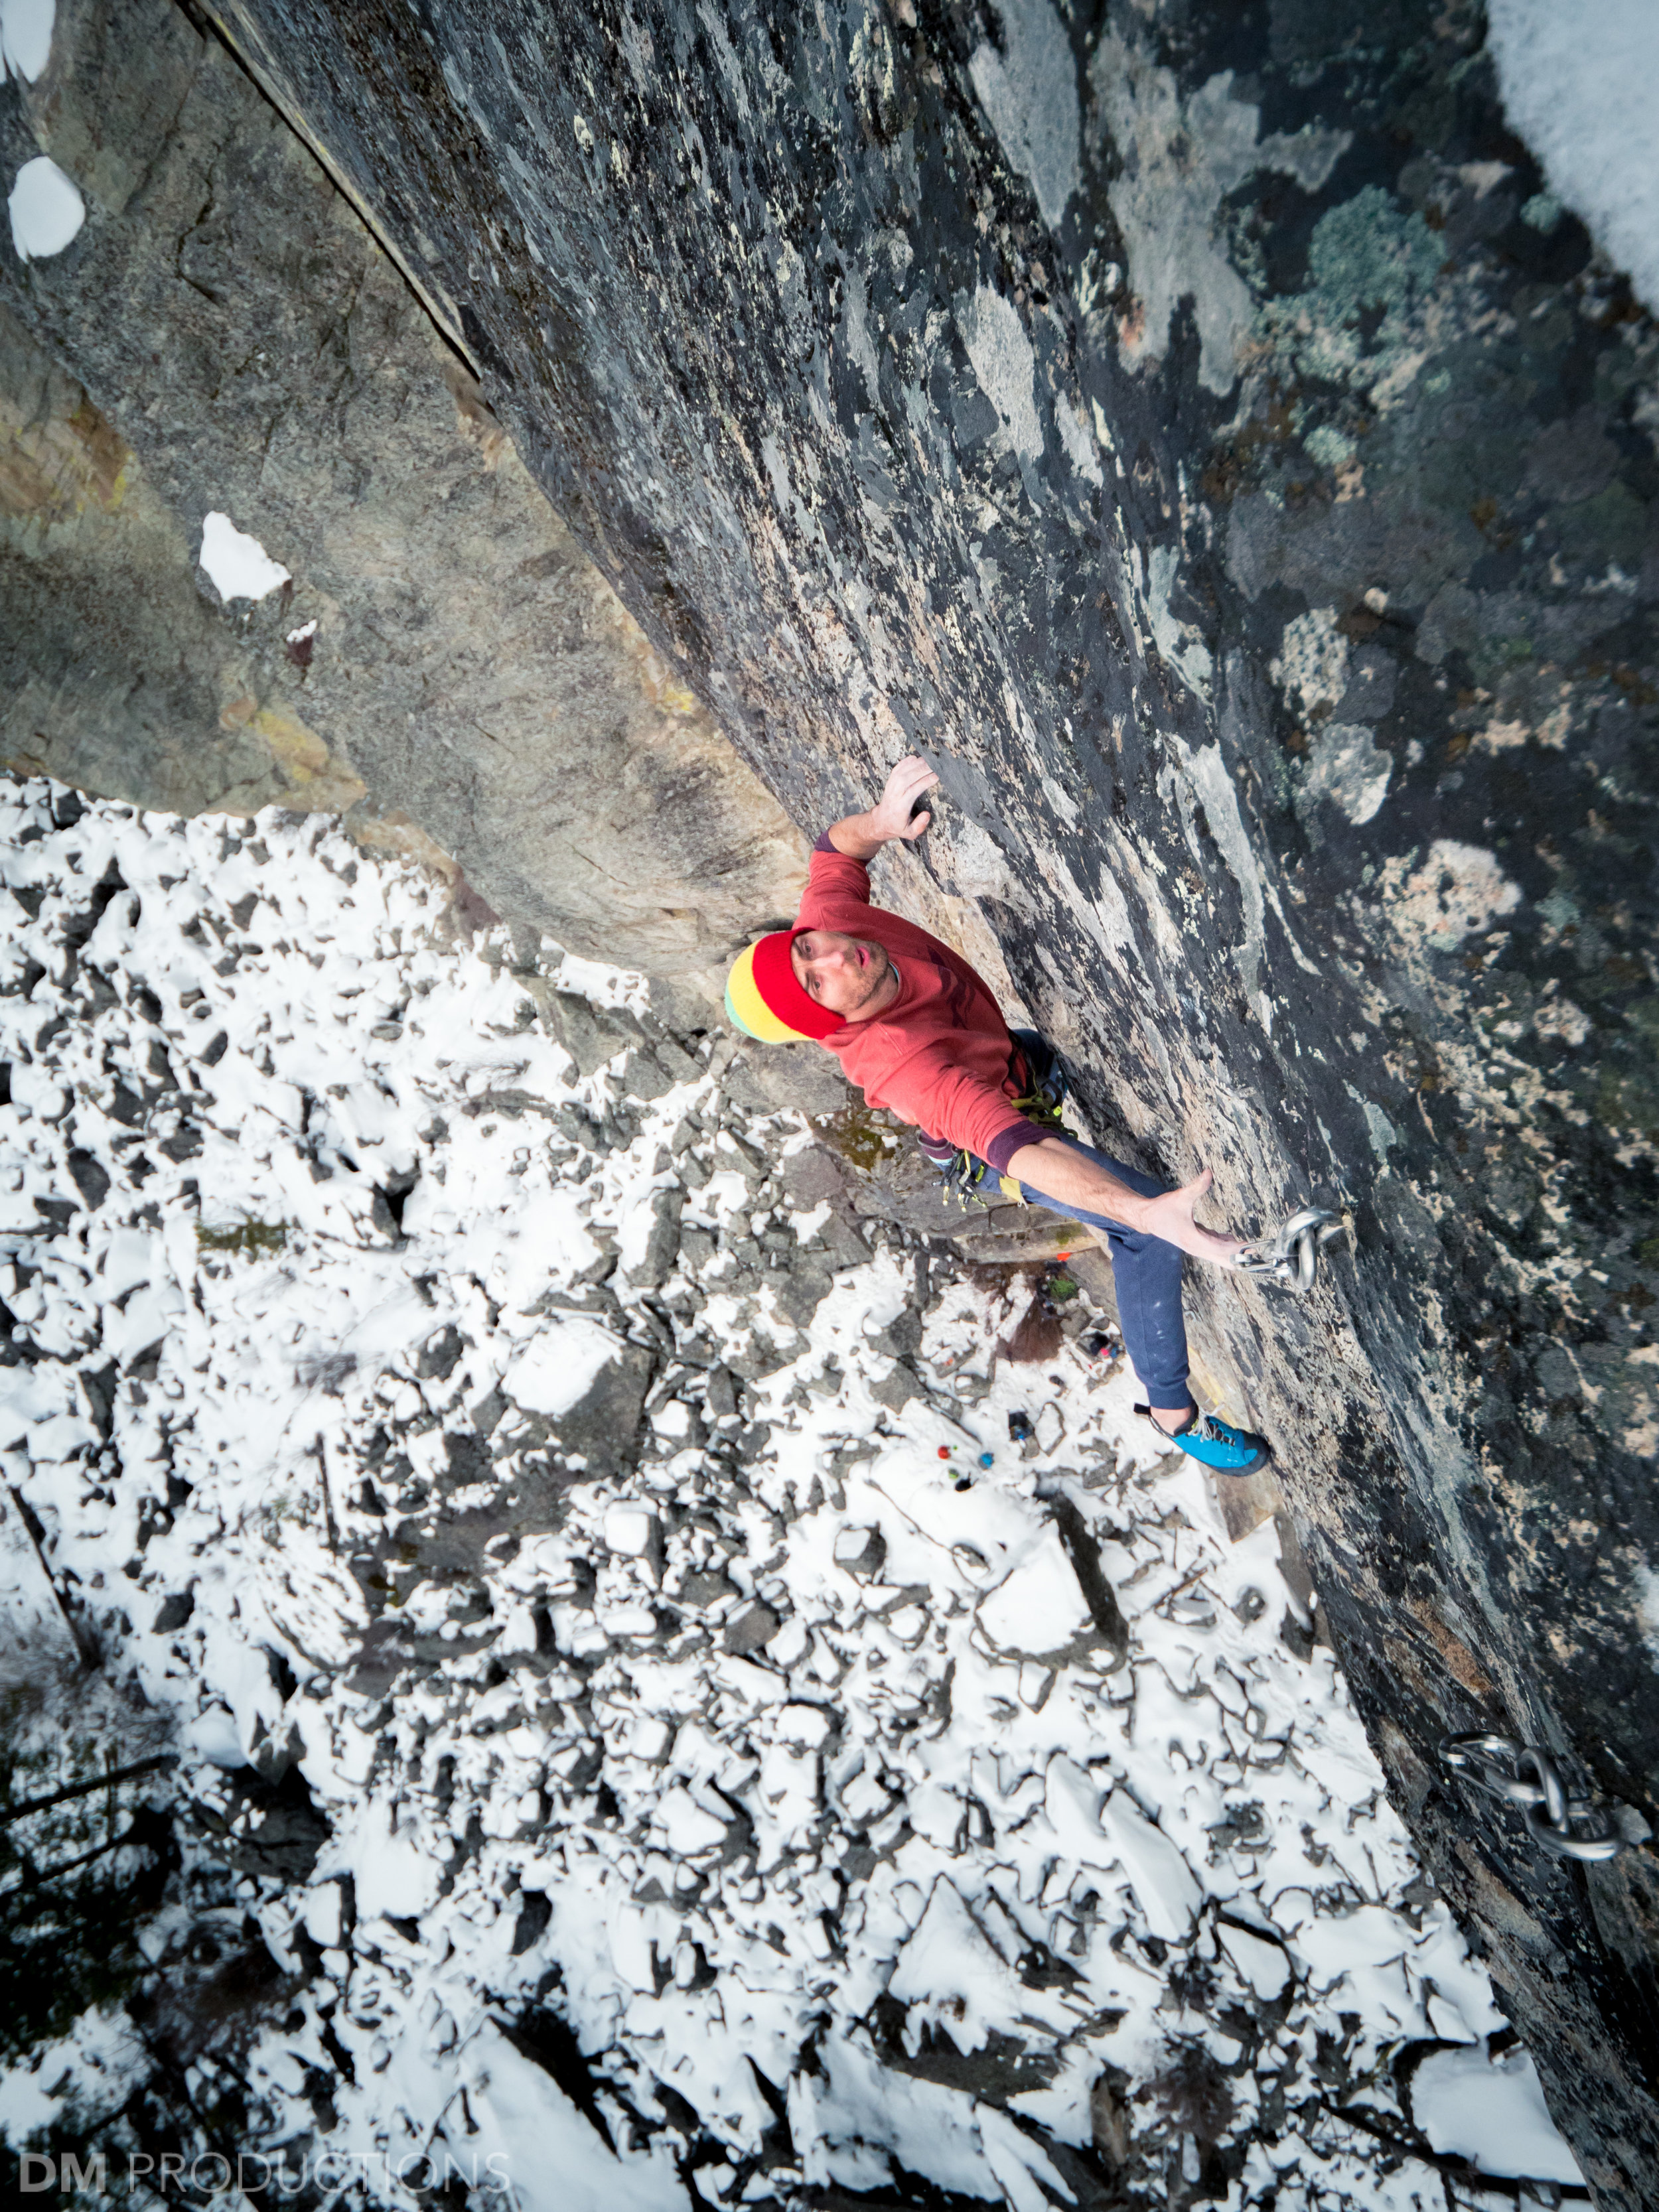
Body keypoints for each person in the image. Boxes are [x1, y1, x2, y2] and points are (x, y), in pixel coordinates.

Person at [723, 756, 1271, 1475]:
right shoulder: (904, 1067)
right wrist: (1139, 1212)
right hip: (987, 1139)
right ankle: (1175, 1415)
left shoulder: (827, 931)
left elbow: (834, 854)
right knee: (1143, 1233)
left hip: (1011, 1060)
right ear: (826, 1020)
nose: (831, 956)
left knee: (1040, 1061)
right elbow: (1011, 1144)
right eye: (814, 982)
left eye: (806, 949)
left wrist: (881, 824)